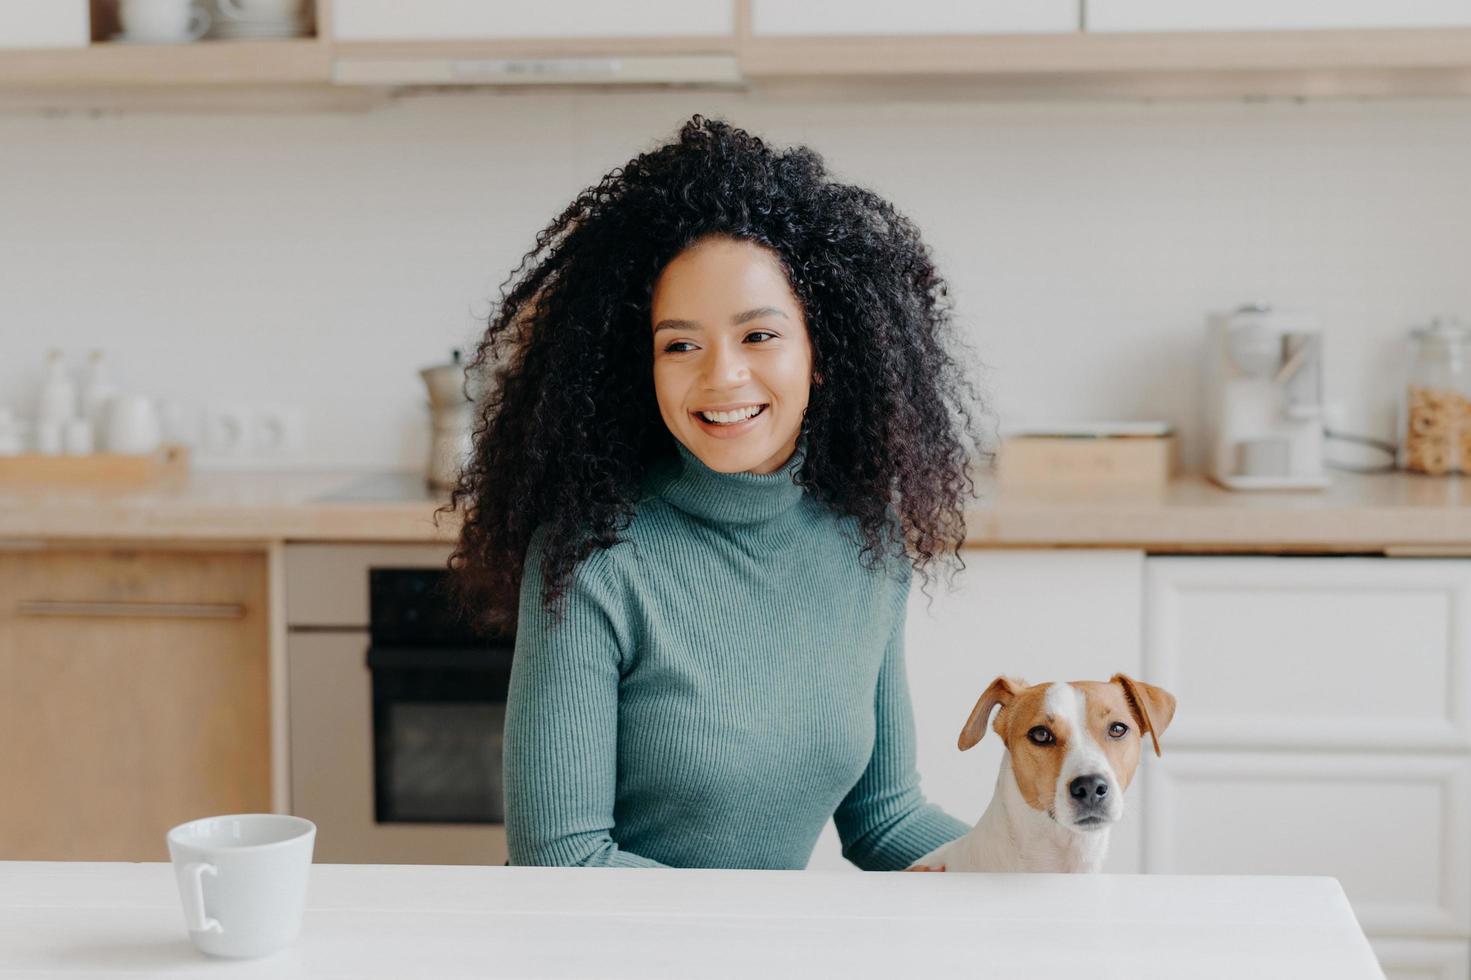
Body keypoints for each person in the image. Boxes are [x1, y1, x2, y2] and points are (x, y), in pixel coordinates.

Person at [446, 114, 990, 870]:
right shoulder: (593, 559)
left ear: (821, 352)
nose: (720, 377)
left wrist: (1016, 871)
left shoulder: (867, 546)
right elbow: (562, 860)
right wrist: (769, 937)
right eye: (680, 344)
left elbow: (884, 818)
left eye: (758, 336)